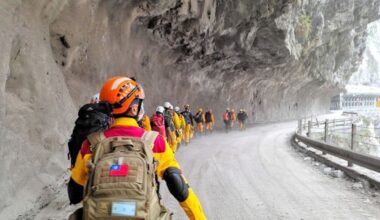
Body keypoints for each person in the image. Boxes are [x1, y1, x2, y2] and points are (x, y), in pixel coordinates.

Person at [68, 76, 206, 220]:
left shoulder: (90, 144)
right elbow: (179, 187)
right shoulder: (155, 142)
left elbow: (74, 195)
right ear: (134, 108)